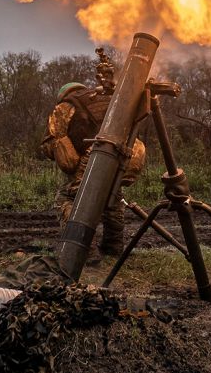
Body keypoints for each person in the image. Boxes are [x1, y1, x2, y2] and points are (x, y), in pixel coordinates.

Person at [40, 50, 145, 261]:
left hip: (96, 154)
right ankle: (114, 247)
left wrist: (62, 159)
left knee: (68, 198)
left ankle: (84, 248)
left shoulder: (67, 106)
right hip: (128, 154)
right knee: (113, 198)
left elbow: (58, 143)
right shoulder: (107, 100)